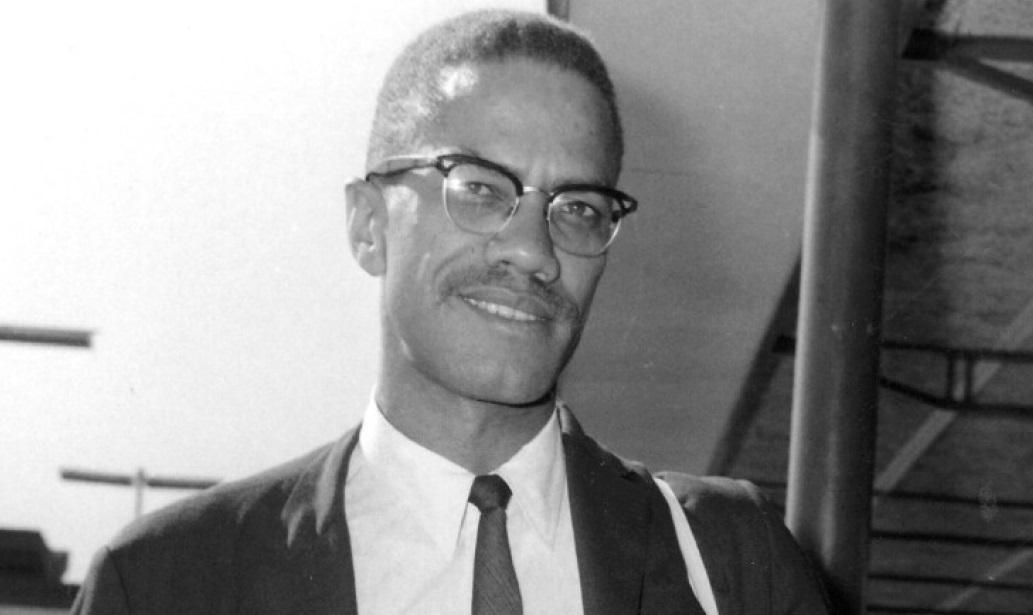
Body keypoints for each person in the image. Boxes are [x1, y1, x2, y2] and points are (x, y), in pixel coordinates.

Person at [72, 9, 830, 615]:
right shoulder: (169, 583)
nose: (532, 251)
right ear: (369, 226)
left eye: (578, 207)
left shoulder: (732, 565)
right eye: (479, 188)